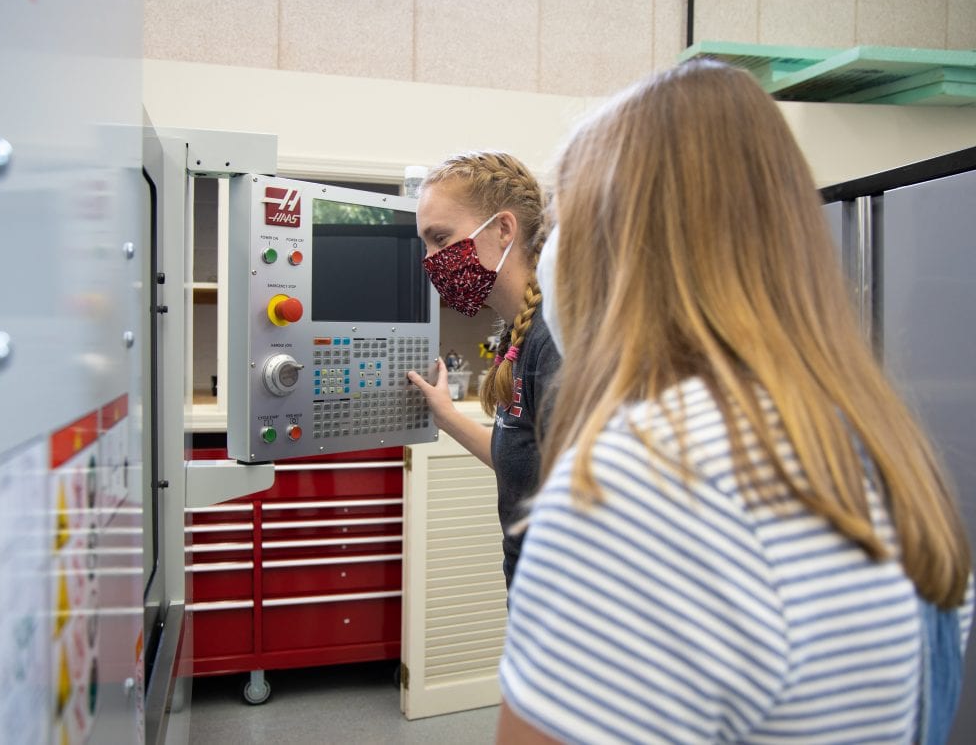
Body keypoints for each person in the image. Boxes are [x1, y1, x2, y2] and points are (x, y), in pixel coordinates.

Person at [497, 59, 974, 743]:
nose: (550, 258)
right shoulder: (884, 454)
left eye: (562, 225)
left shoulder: (647, 479)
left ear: (618, 250)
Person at [407, 150, 561, 590]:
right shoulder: (519, 331)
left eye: (441, 238)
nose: (432, 260)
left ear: (503, 228)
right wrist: (446, 416)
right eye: (426, 244)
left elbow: (585, 498)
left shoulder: (554, 340)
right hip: (530, 582)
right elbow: (519, 463)